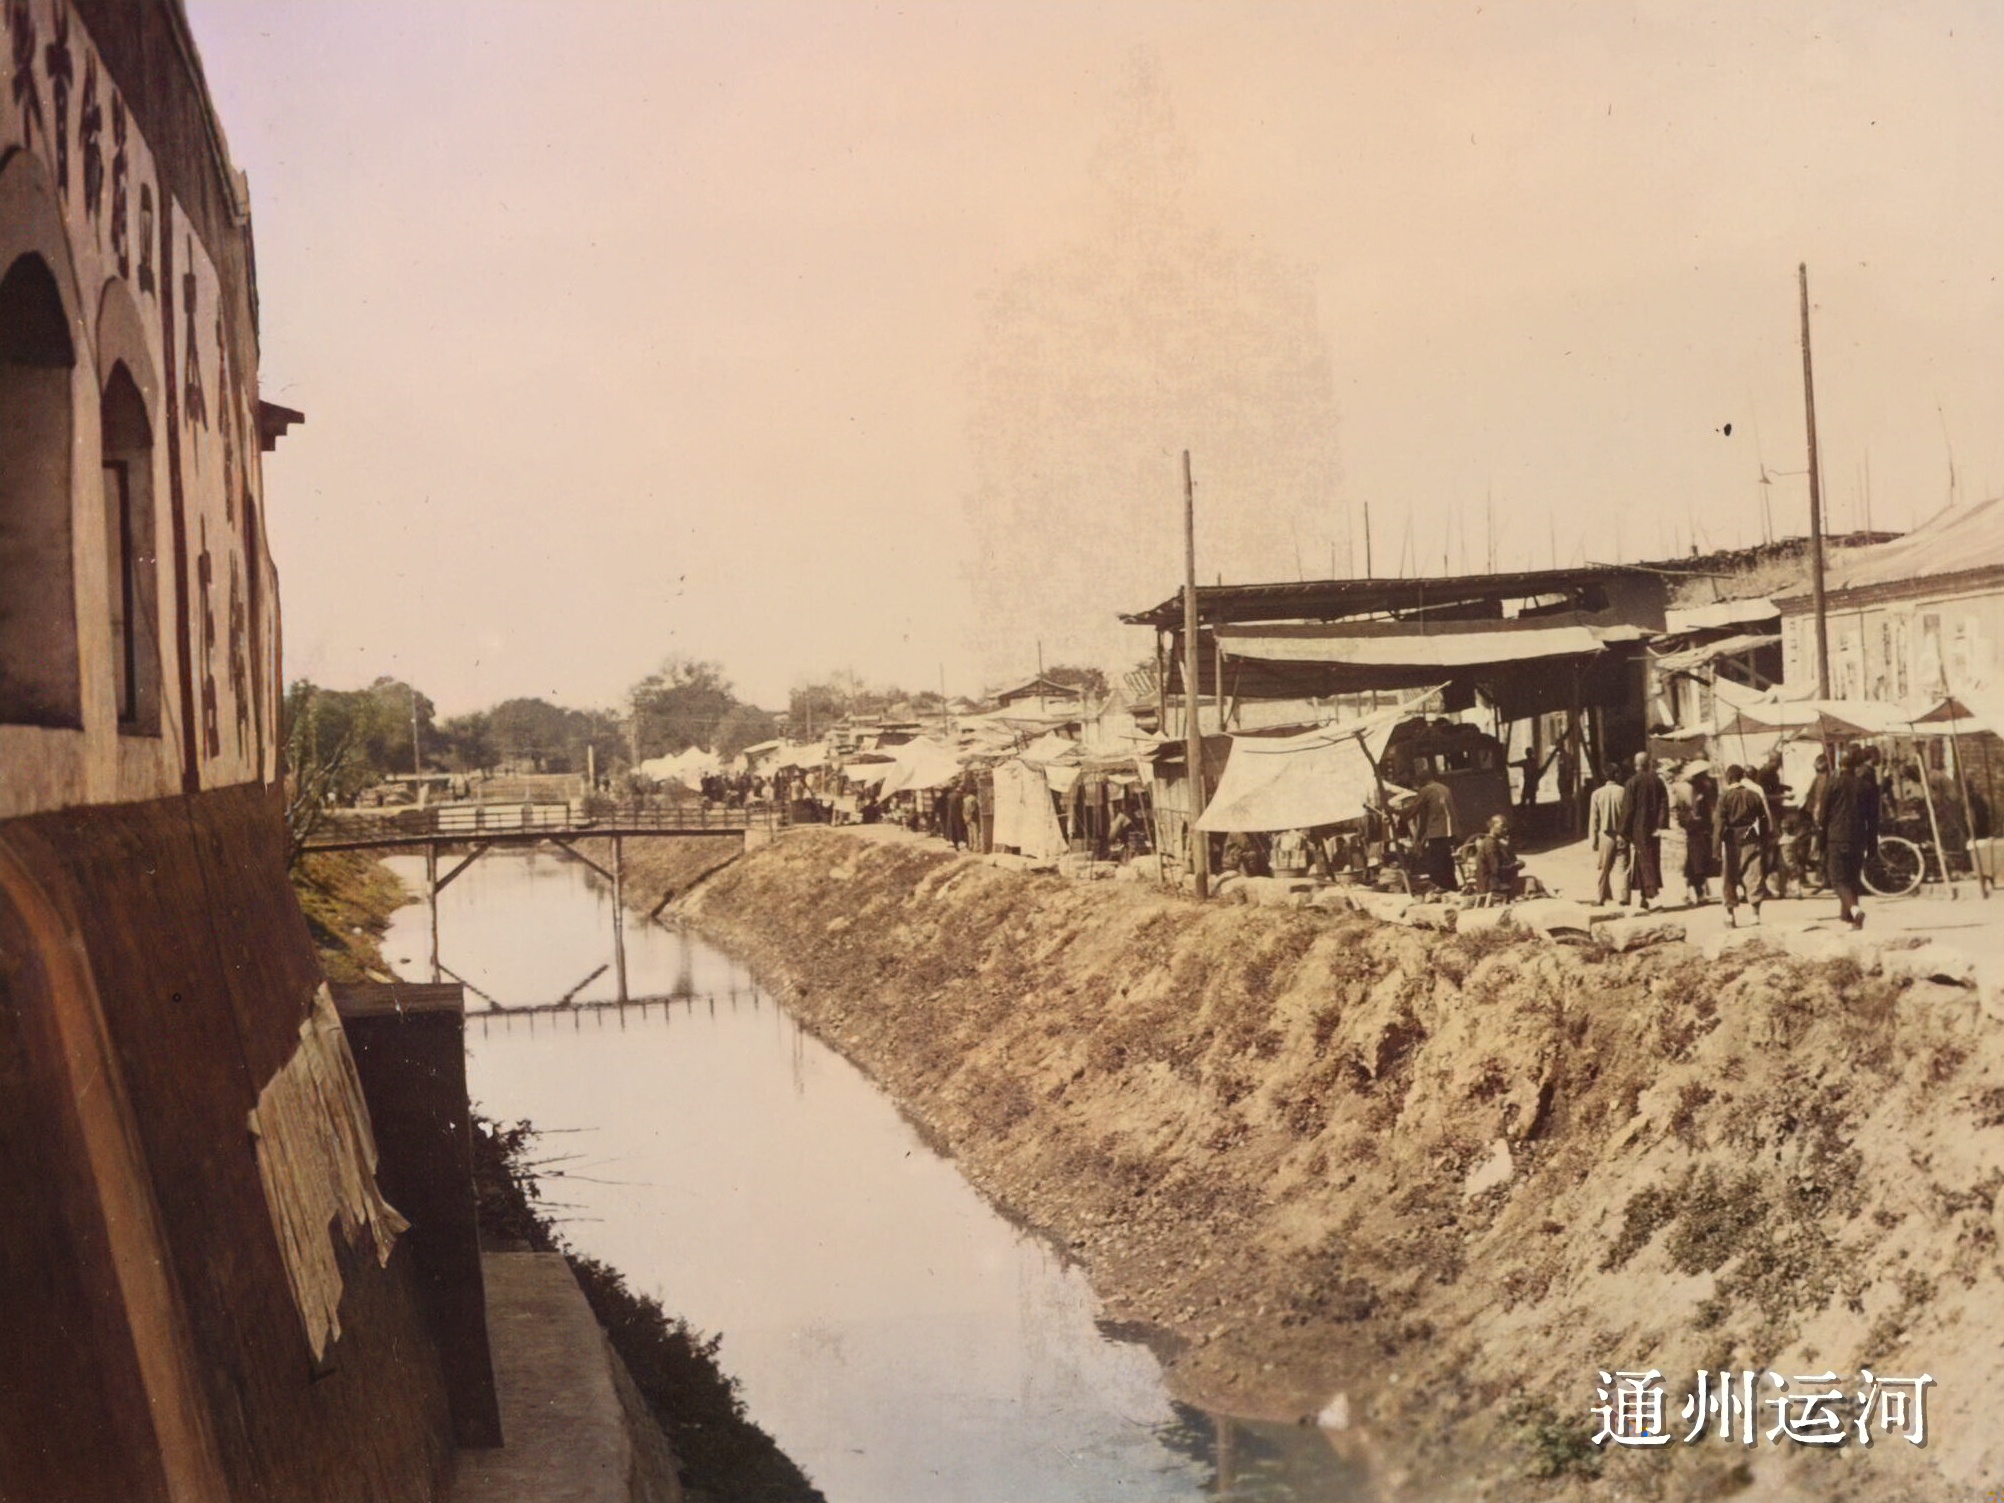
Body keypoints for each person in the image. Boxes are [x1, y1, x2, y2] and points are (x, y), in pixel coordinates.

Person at [1821, 745, 1879, 930]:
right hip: (1859, 837)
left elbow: (1823, 817)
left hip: (1837, 837)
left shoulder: (1832, 784)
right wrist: (1872, 845)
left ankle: (1854, 910)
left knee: (1838, 879)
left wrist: (1821, 843)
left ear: (1840, 763)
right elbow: (1873, 819)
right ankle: (1851, 919)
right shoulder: (1866, 787)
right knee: (1852, 878)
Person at [1713, 764, 1771, 927]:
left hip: (1731, 841)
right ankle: (1755, 914)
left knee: (1729, 877)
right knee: (1754, 875)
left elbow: (1719, 824)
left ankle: (1730, 915)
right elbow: (1764, 821)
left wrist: (1716, 848)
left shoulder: (1724, 797)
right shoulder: (1753, 795)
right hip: (1751, 838)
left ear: (1729, 778)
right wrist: (1764, 840)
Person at [1619, 751, 1670, 910]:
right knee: (1648, 858)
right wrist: (1660, 826)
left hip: (1639, 828)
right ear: (1649, 764)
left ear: (1636, 765)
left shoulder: (1631, 783)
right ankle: (1643, 898)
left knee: (1646, 861)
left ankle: (1655, 898)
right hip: (1654, 829)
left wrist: (1622, 831)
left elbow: (1628, 809)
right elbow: (1664, 805)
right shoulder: (1658, 782)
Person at [1408, 769, 1461, 893]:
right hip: (1451, 831)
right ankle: (1451, 887)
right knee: (1448, 863)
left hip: (1438, 833)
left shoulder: (1426, 790)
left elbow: (1411, 811)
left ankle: (1441, 889)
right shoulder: (1445, 788)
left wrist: (1393, 811)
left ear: (1421, 780)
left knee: (1436, 865)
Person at [1675, 764, 1717, 906]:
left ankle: (1689, 893)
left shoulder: (1700, 790)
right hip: (1696, 830)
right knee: (1697, 863)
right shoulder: (1695, 791)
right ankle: (1698, 894)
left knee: (1694, 863)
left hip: (1698, 830)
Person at [1588, 762, 1628, 905]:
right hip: (1621, 835)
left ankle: (1601, 897)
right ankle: (1624, 898)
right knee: (1623, 867)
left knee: (1603, 867)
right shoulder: (1624, 792)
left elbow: (1594, 819)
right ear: (1616, 774)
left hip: (1605, 836)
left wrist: (1593, 839)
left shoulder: (1597, 794)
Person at [1756, 751, 1792, 899]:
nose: (1779, 766)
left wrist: (1784, 787)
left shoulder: (1773, 774)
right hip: (1767, 816)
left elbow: (1774, 787)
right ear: (1772, 761)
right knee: (1768, 850)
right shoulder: (1762, 775)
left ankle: (1775, 883)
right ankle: (1764, 883)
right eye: (1778, 763)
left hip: (1776, 813)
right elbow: (1763, 796)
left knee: (1776, 849)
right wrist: (1782, 796)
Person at [1470, 814, 1524, 902]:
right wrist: (1515, 866)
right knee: (1530, 882)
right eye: (1502, 826)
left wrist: (1508, 848)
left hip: (1494, 882)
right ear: (1492, 826)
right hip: (1491, 885)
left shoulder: (1495, 842)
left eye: (1506, 827)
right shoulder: (1490, 844)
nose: (1505, 829)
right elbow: (1496, 870)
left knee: (1530, 881)